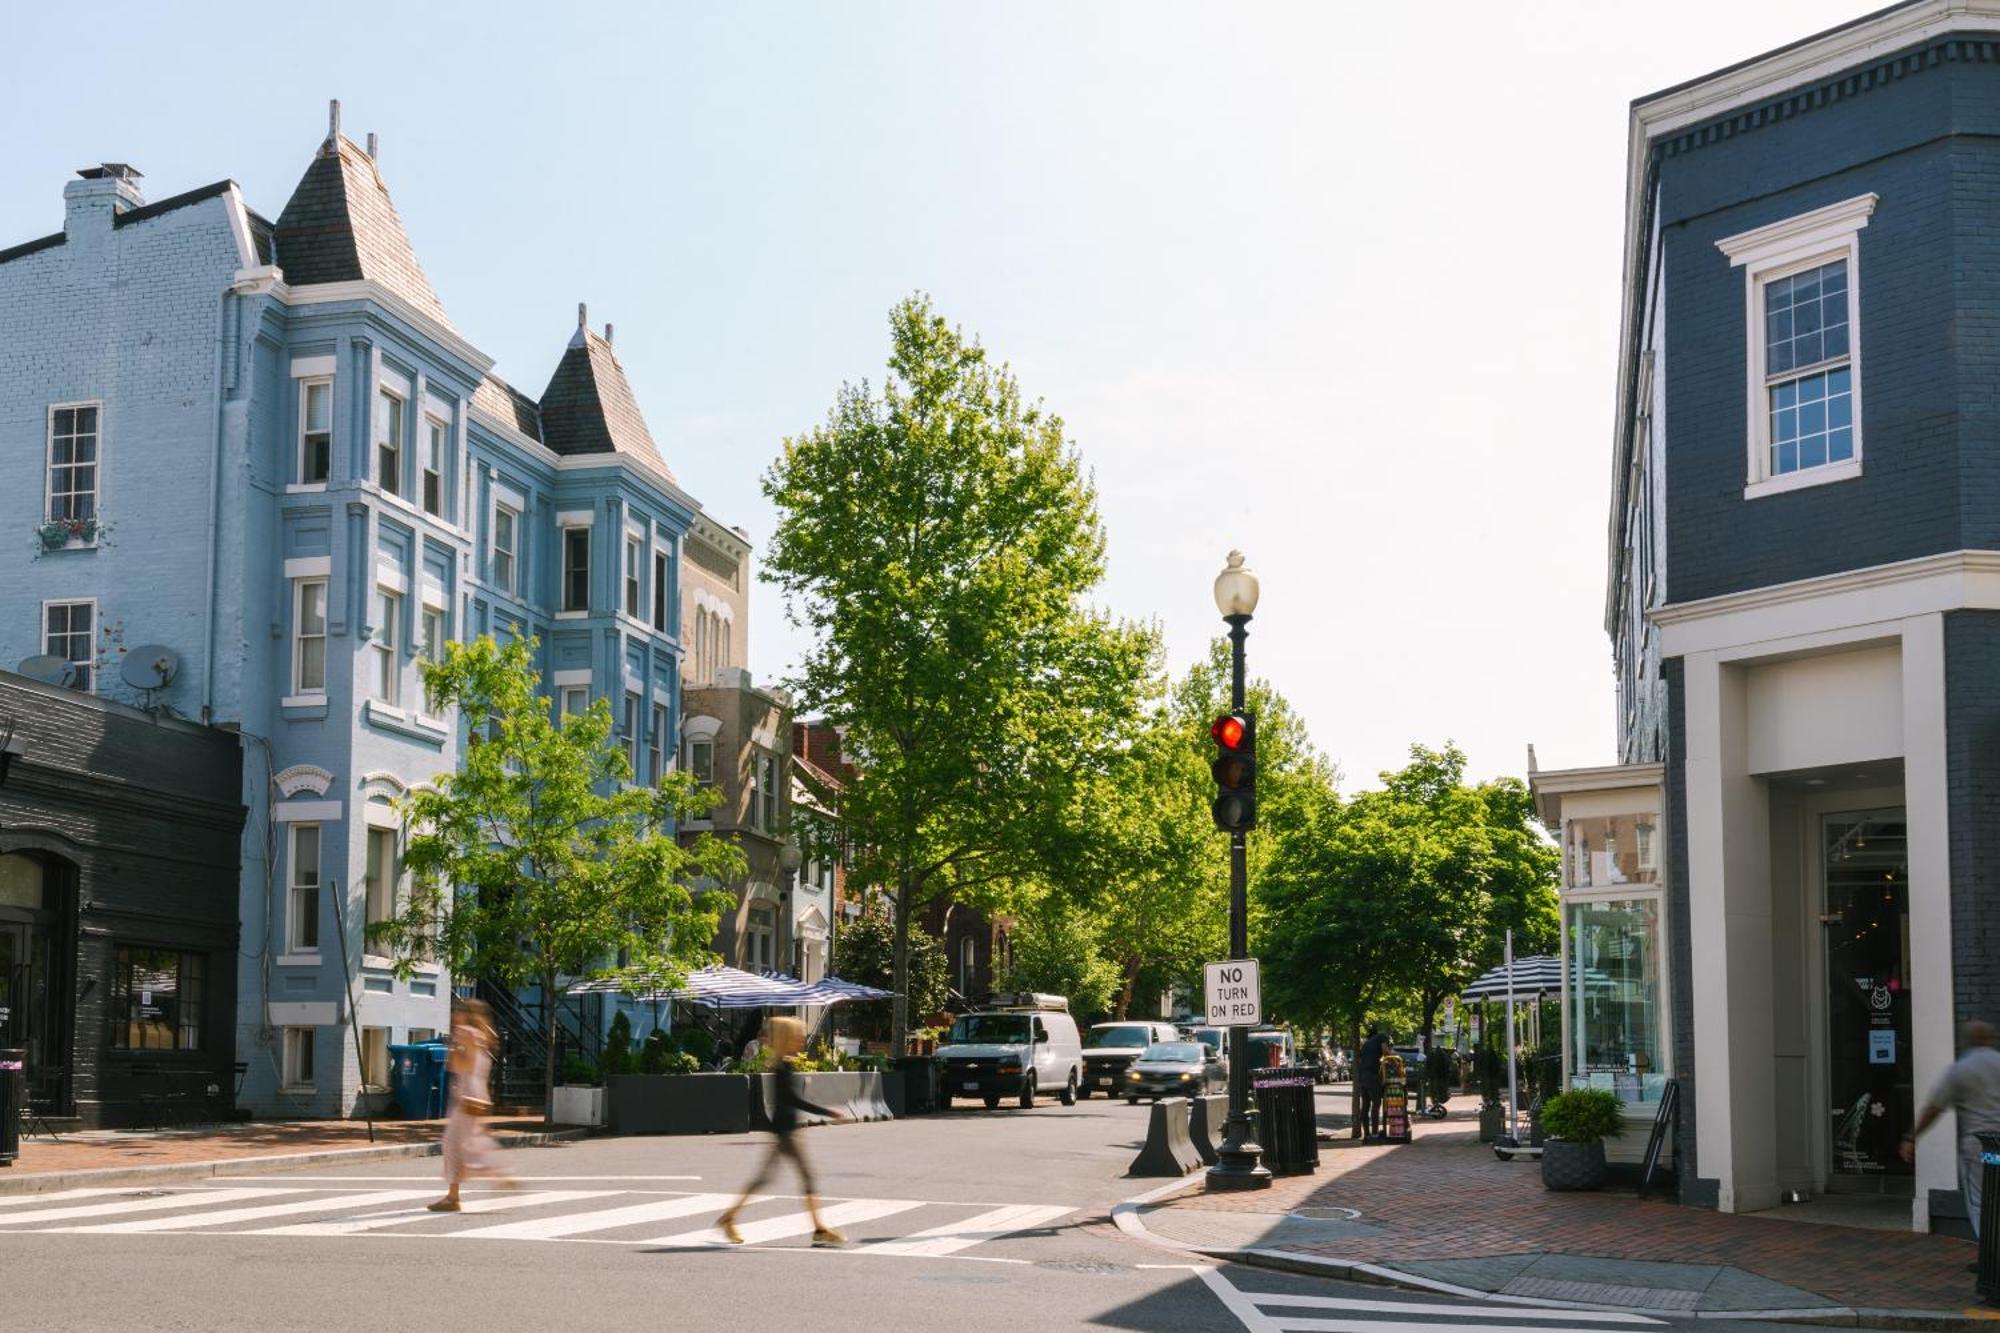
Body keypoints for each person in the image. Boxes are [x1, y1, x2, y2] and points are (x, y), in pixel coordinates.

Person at [716, 1016, 847, 1246]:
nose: (800, 1041)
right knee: (804, 1178)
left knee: (764, 1180)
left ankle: (729, 1218)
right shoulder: (782, 1068)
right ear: (787, 1038)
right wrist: (828, 1112)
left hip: (785, 1132)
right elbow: (793, 1100)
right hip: (786, 1133)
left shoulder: (783, 1065)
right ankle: (819, 1229)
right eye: (797, 1036)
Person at [1902, 1019, 2000, 1240]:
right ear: (1990, 1038)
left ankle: (1990, 1258)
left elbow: (1933, 1109)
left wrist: (1911, 1138)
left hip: (1979, 1149)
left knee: (1980, 1200)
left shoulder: (1960, 1070)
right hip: (1998, 1146)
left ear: (1966, 1042)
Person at [428, 998, 516, 1211]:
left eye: (457, 1011)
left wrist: (453, 1049)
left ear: (465, 1014)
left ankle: (460, 1193)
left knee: (452, 1144)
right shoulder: (482, 1036)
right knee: (469, 1142)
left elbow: (459, 1066)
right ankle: (494, 1177)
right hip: (478, 1093)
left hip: (467, 1095)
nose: (454, 1015)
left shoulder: (465, 1033)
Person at [1355, 1024, 1389, 1140]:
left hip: (1363, 1076)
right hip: (1372, 1076)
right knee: (1376, 1103)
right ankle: (1374, 1133)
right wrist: (1393, 1054)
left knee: (1365, 1104)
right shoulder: (1382, 1037)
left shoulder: (1366, 1044)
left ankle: (1367, 1134)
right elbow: (1385, 1052)